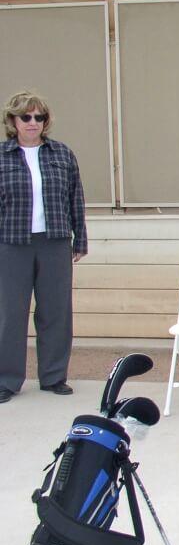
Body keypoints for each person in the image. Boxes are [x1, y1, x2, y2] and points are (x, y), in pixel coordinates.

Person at [0, 92, 87, 405]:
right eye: (26, 117)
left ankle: (53, 377)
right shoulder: (3, 156)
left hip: (55, 241)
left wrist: (81, 239)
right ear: (13, 121)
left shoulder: (61, 154)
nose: (33, 123)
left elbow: (75, 198)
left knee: (56, 312)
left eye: (39, 117)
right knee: (10, 313)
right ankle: (7, 380)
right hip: (11, 243)